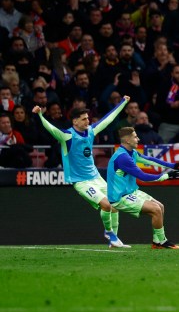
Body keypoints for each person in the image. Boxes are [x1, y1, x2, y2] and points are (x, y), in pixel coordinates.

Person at [33, 96, 130, 248]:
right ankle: (108, 232)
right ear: (75, 121)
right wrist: (39, 115)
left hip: (96, 177)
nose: (87, 121)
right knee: (106, 204)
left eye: (88, 118)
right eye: (84, 119)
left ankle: (114, 240)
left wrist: (123, 103)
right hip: (81, 181)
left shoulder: (91, 131)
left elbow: (107, 119)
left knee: (115, 204)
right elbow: (51, 128)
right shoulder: (67, 136)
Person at [107, 127, 179, 249]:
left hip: (131, 191)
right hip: (119, 197)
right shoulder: (122, 157)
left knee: (160, 207)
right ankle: (162, 241)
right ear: (127, 140)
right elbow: (143, 176)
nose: (138, 139)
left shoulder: (131, 153)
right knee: (156, 210)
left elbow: (149, 159)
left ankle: (156, 242)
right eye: (135, 137)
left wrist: (172, 165)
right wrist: (166, 176)